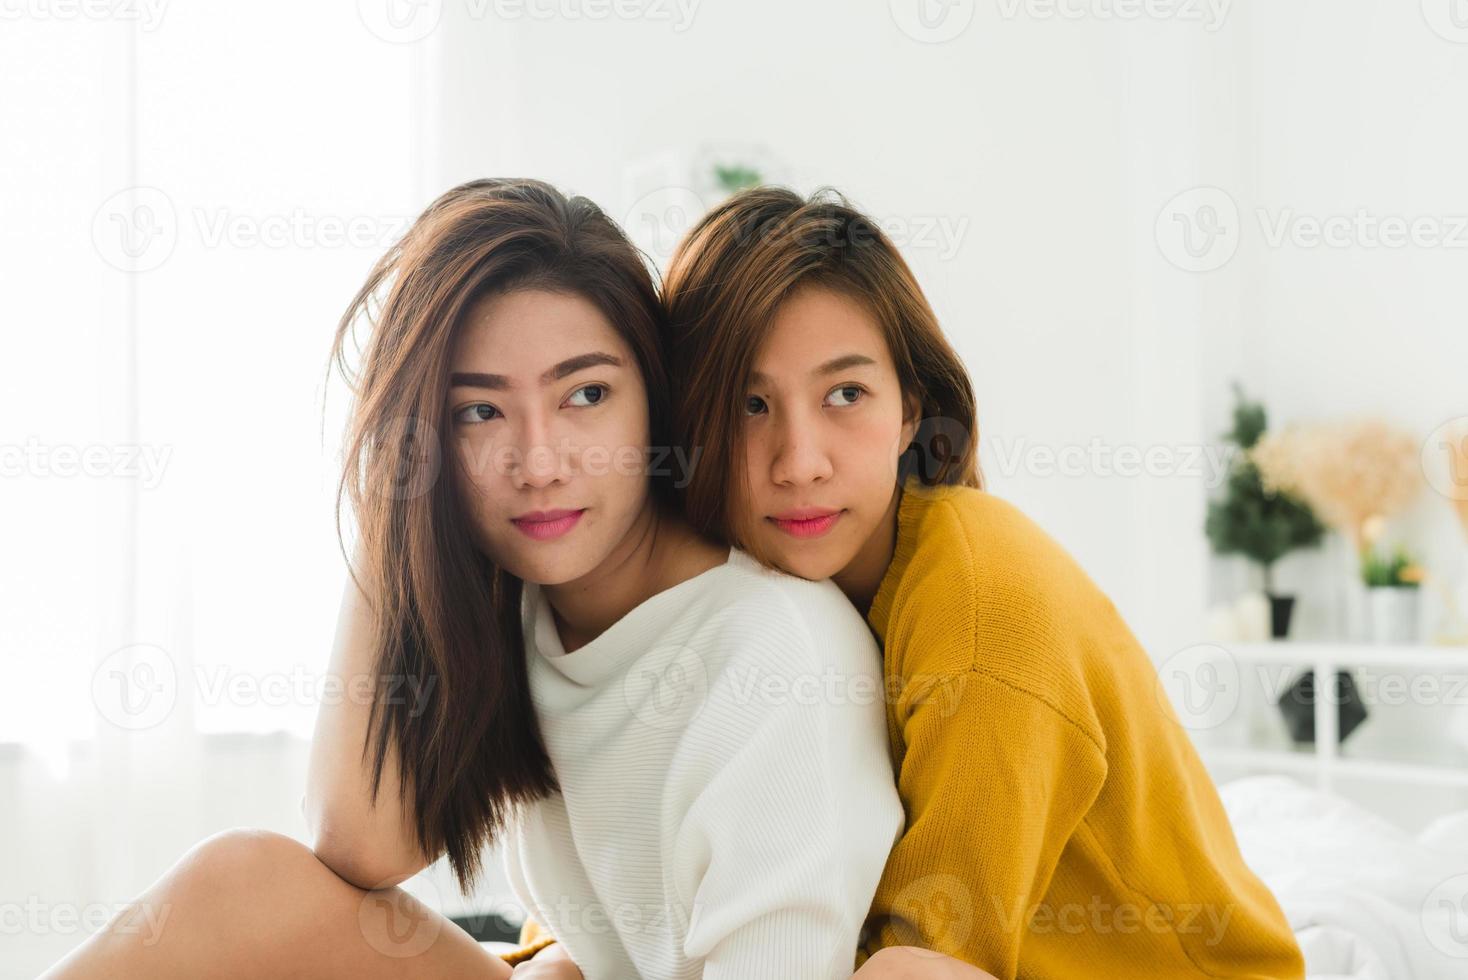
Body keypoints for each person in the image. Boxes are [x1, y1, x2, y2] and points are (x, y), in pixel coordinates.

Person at [42, 179, 902, 980]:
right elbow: (356, 843)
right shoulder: (522, 603)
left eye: (586, 395)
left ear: (658, 399)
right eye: (479, 411)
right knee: (246, 882)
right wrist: (400, 490)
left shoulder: (775, 656)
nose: (538, 463)